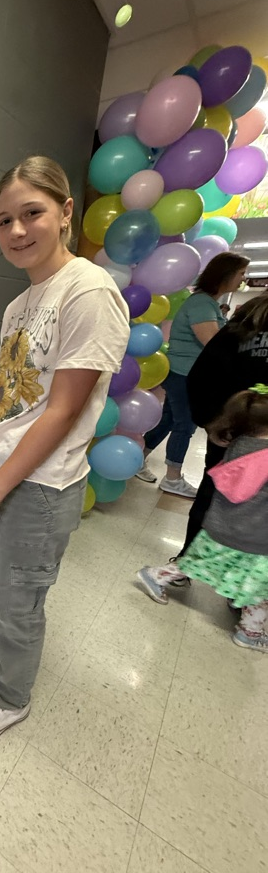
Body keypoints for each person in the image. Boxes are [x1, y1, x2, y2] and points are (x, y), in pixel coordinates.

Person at [0, 156, 129, 744]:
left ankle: (11, 697)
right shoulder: (23, 302)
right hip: (0, 462)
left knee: (20, 599)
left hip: (40, 485)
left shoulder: (89, 291)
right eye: (3, 221)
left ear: (66, 213)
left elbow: (65, 409)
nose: (16, 231)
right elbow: (20, 390)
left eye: (32, 214)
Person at [136, 290, 268, 591]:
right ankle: (223, 579)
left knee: (217, 499)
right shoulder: (236, 329)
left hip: (229, 432)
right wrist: (211, 424)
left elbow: (202, 376)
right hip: (233, 434)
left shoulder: (236, 329)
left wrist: (213, 425)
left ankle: (194, 566)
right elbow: (202, 377)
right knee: (236, 506)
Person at [137, 385, 268, 652]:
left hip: (220, 525)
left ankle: (156, 574)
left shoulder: (239, 443)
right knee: (260, 586)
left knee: (197, 563)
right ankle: (250, 632)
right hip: (253, 536)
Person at [136, 252, 249, 496]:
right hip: (185, 374)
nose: (243, 278)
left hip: (186, 373)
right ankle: (173, 478)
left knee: (169, 420)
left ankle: (138, 459)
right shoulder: (201, 304)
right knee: (184, 425)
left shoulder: (207, 303)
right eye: (241, 273)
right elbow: (212, 342)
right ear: (226, 274)